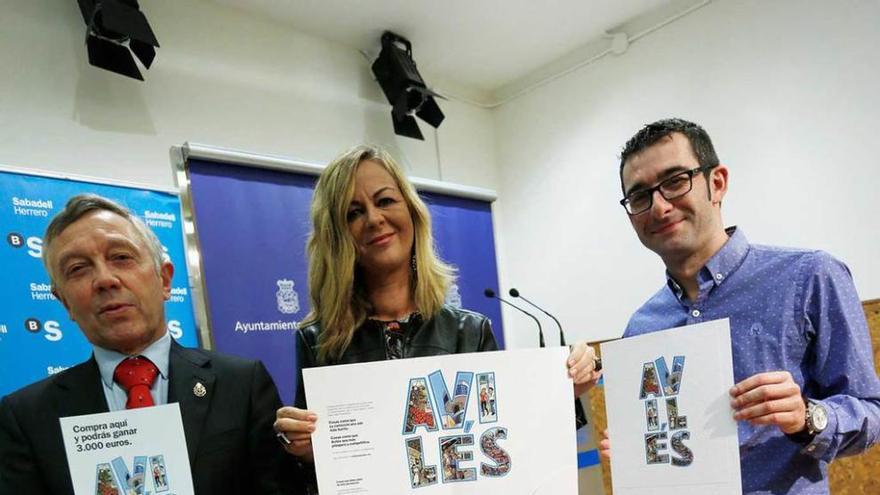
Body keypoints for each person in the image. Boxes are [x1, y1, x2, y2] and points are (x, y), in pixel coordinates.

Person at [274, 145, 601, 489]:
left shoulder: (470, 331)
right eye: (353, 213)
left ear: (413, 213)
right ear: (338, 235)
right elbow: (321, 473)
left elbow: (509, 441)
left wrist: (565, 389)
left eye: (385, 201)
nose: (373, 219)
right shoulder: (319, 340)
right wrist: (301, 449)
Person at [601, 118, 880, 493]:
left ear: (717, 183)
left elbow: (871, 413)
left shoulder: (810, 276)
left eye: (675, 181)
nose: (660, 207)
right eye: (639, 196)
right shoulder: (641, 328)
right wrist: (636, 453)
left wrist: (806, 416)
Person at [0, 194, 296, 494]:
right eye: (78, 268)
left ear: (165, 280)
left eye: (121, 257)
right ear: (64, 302)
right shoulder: (25, 417)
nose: (105, 279)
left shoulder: (243, 384)